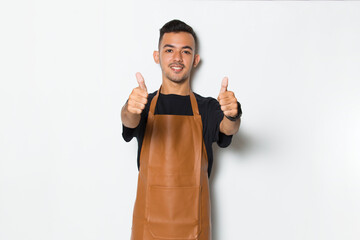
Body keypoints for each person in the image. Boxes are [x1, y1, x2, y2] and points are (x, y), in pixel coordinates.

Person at [121, 19, 242, 240]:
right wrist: (130, 108)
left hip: (194, 229)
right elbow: (129, 120)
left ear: (195, 60)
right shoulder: (143, 104)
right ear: (157, 56)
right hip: (147, 228)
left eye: (185, 52)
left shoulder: (208, 108)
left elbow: (229, 127)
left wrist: (233, 113)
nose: (177, 58)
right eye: (169, 50)